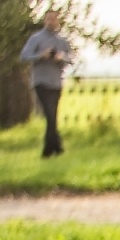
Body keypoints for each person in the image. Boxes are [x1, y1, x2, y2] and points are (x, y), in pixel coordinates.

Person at [20, 10, 72, 159]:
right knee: (50, 115)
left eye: (54, 19)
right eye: (49, 19)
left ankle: (54, 148)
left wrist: (60, 57)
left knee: (53, 116)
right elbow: (24, 56)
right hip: (41, 82)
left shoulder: (62, 41)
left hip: (56, 83)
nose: (51, 22)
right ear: (45, 21)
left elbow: (70, 59)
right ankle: (50, 150)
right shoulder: (36, 38)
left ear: (58, 22)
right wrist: (40, 55)